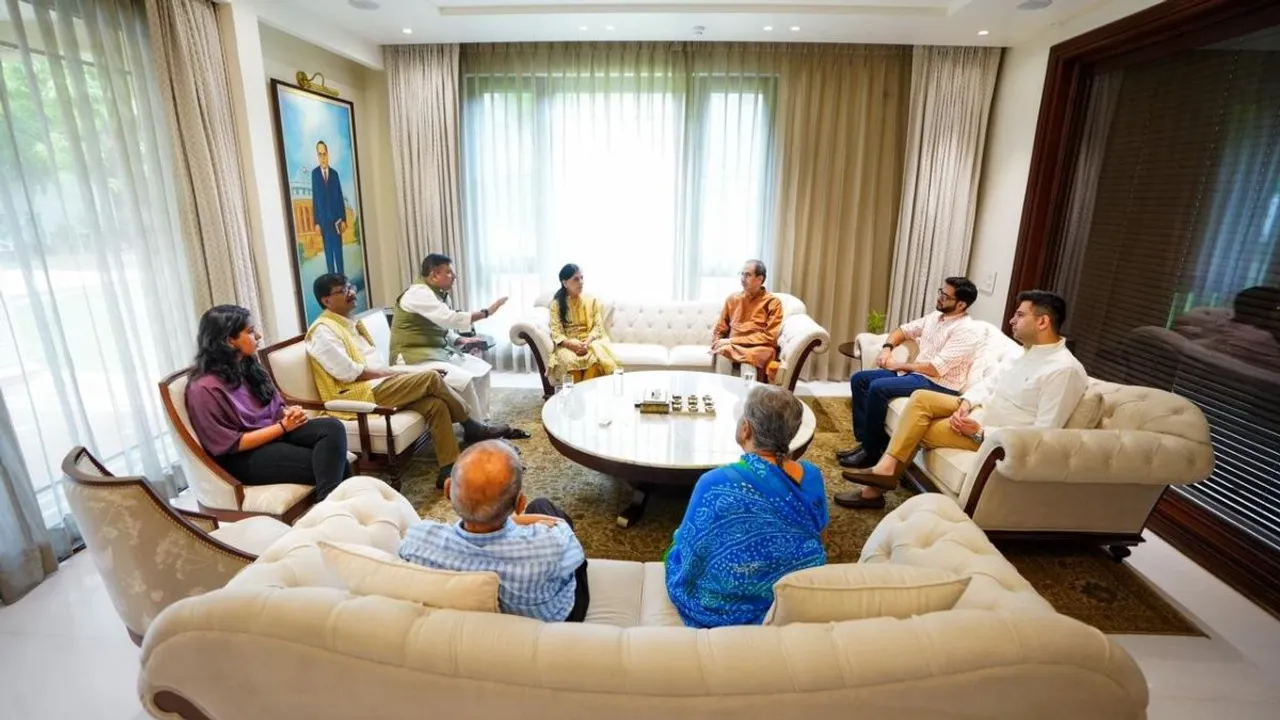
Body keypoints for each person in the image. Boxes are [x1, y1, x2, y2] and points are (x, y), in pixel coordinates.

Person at [835, 290, 1088, 510]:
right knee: (921, 398)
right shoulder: (1022, 353)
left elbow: (1043, 433)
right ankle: (885, 471)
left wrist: (980, 432)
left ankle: (876, 486)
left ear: (1043, 321)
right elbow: (989, 384)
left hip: (995, 435)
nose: (1011, 320)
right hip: (979, 410)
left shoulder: (1064, 370)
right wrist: (966, 403)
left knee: (918, 427)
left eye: (1020, 315)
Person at [306, 273, 522, 489]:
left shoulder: (348, 324)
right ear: (326, 300)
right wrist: (391, 374)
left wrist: (393, 374)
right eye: (343, 291)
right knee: (430, 377)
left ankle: (448, 467)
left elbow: (376, 363)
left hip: (378, 383)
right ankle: (471, 425)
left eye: (350, 286)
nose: (352, 293)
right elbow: (347, 373)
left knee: (435, 405)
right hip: (357, 393)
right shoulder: (323, 331)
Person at [665, 384, 828, 628]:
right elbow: (821, 538)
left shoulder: (713, 483)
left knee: (676, 548)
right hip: (794, 594)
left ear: (745, 429)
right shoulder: (812, 475)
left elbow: (691, 551)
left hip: (721, 603)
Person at [399, 440, 589, 622]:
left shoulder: (418, 539)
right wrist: (520, 521)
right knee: (542, 505)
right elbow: (576, 554)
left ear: (448, 490)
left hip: (471, 629)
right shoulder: (550, 544)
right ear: (520, 503)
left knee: (541, 508)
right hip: (551, 620)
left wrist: (514, 520)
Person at [185, 305, 350, 501]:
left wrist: (289, 413)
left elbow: (274, 407)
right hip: (243, 456)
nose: (259, 335)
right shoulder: (204, 388)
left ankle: (330, 512)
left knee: (332, 427)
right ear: (229, 340)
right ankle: (331, 513)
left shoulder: (247, 365)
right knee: (337, 464)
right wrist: (283, 427)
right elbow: (231, 443)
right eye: (250, 331)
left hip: (274, 434)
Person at [836, 278, 984, 475]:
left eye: (945, 296)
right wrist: (887, 349)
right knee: (860, 379)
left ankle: (871, 453)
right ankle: (867, 443)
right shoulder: (935, 317)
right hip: (918, 374)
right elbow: (903, 330)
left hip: (938, 384)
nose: (939, 298)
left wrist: (898, 365)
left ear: (961, 304)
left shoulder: (965, 330)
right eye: (941, 292)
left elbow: (935, 368)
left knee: (878, 387)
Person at [546, 263, 620, 386]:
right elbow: (556, 332)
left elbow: (597, 327)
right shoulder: (556, 304)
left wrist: (586, 343)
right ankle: (574, 402)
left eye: (582, 278)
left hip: (590, 343)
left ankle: (586, 402)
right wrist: (572, 345)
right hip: (568, 345)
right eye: (576, 279)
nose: (581, 282)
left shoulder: (592, 300)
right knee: (570, 363)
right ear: (565, 283)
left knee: (595, 362)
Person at [711, 260, 785, 380]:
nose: (742, 278)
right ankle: (721, 396)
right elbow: (720, 328)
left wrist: (732, 341)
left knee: (749, 360)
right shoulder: (732, 299)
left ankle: (748, 397)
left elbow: (769, 337)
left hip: (757, 347)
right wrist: (717, 341)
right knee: (722, 352)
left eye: (748, 275)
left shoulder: (773, 302)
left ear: (760, 279)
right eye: (742, 274)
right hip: (732, 346)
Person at [311, 141, 346, 275]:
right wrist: (316, 223)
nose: (323, 157)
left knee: (339, 256)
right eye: (320, 155)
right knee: (329, 259)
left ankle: (343, 286)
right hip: (324, 224)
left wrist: (343, 219)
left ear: (328, 154)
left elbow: (340, 197)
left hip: (336, 223)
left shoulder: (335, 174)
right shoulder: (314, 175)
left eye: (324, 154)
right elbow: (315, 199)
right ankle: (332, 289)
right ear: (317, 156)